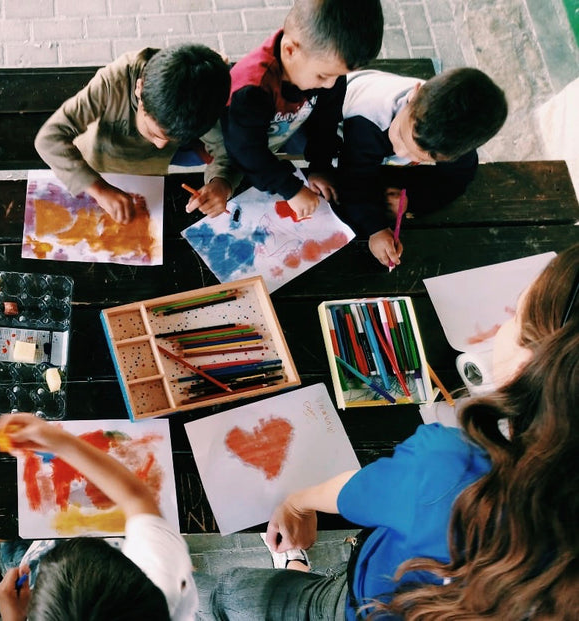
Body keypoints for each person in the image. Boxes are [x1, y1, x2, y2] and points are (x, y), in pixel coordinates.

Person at [209, 244, 579, 620]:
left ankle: (293, 575)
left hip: (365, 603)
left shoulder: (452, 468)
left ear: (535, 361)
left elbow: (351, 493)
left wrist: (295, 503)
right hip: (402, 598)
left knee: (230, 597)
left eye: (516, 313)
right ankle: (297, 570)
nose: (502, 325)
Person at [0, 413, 196, 621]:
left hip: (28, 560)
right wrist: (61, 442)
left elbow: (135, 497)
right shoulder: (163, 579)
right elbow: (136, 496)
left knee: (14, 557)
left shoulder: (159, 589)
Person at [215, 0, 384, 219]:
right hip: (237, 143)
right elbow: (246, 151)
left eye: (338, 75)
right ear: (290, 50)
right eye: (323, 76)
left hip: (284, 129)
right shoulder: (251, 90)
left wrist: (320, 167)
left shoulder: (325, 68)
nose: (331, 85)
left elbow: (326, 121)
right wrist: (291, 188)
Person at [33, 44, 232, 222]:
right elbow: (49, 139)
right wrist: (100, 190)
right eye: (154, 134)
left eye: (171, 139)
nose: (160, 145)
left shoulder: (207, 96)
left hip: (151, 171)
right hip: (101, 161)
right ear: (140, 88)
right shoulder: (115, 81)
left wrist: (221, 183)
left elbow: (225, 147)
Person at [338, 68, 508, 268]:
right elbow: (352, 180)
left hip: (371, 157)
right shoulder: (369, 120)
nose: (401, 153)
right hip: (338, 133)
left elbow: (457, 179)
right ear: (414, 94)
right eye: (401, 136)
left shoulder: (448, 138)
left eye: (417, 157)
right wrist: (375, 228)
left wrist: (412, 199)